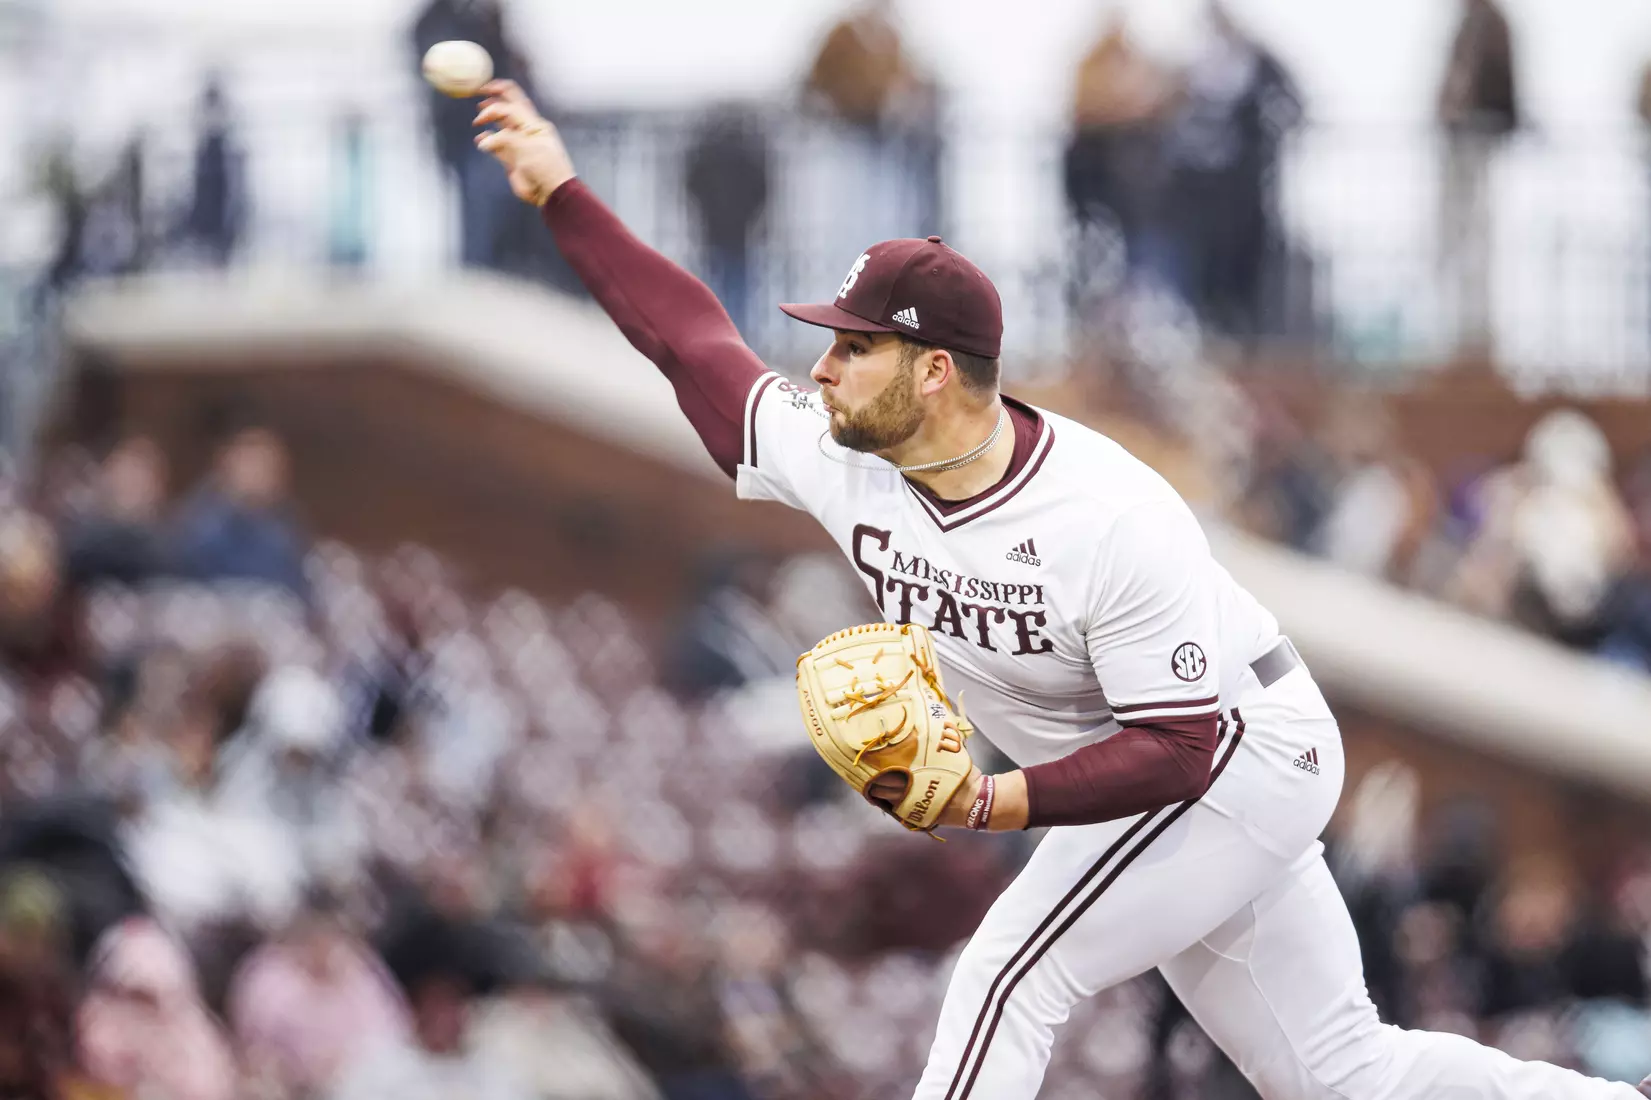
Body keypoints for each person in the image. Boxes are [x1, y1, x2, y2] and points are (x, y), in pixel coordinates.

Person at [471, 80, 1651, 1097]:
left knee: (1012, 969)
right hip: (1163, 770)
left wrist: (994, 803)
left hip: (1241, 748)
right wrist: (562, 194)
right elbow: (692, 341)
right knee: (1340, 1071)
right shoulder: (847, 460)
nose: (822, 365)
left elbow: (1180, 748)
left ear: (934, 372)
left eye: (852, 346)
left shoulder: (1108, 515)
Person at [1437, 0, 1520, 356]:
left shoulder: (1493, 25)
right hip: (1460, 145)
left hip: (1479, 143)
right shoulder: (1468, 26)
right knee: (1455, 243)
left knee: (1477, 245)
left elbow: (1504, 92)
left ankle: (1476, 336)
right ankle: (1459, 334)